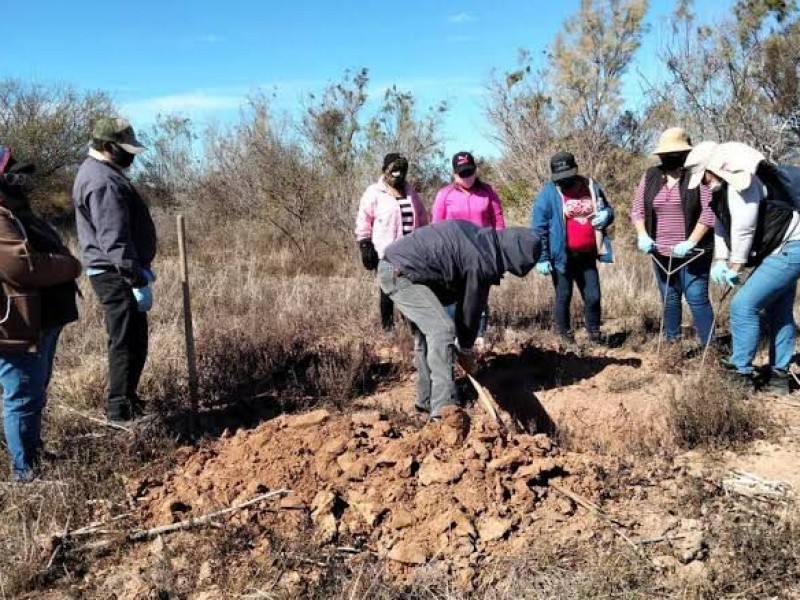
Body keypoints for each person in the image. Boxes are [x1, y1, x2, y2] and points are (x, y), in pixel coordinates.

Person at [378, 220, 540, 419]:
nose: (506, 272)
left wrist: (464, 346)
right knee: (441, 330)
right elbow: (470, 307)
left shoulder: (484, 243)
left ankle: (426, 402)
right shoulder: (482, 260)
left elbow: (470, 304)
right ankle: (443, 412)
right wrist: (465, 348)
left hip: (403, 268)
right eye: (509, 268)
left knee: (428, 335)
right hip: (400, 273)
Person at [685, 141, 800, 394]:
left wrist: (735, 266)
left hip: (791, 246)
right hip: (784, 248)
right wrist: (719, 261)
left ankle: (741, 374)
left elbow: (744, 227)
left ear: (712, 169)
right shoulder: (721, 193)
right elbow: (722, 228)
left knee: (743, 305)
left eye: (703, 177)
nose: (703, 184)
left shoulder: (742, 184)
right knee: (778, 310)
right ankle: (779, 377)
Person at [0, 145, 82, 482]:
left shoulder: (19, 213)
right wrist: (70, 265)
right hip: (15, 326)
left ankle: (32, 452)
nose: (20, 180)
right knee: (21, 396)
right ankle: (26, 473)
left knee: (34, 391)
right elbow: (23, 266)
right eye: (12, 174)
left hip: (39, 321)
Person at [72, 118, 157, 423]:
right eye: (126, 149)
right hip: (115, 274)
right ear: (109, 147)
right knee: (125, 342)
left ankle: (129, 401)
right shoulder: (102, 181)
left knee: (134, 339)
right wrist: (135, 277)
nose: (132, 156)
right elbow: (114, 238)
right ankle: (120, 413)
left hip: (118, 272)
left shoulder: (104, 172)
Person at [631, 128, 715, 346]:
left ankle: (710, 348)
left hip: (693, 253)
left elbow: (709, 211)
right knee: (669, 299)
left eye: (676, 153)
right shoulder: (650, 176)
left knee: (696, 298)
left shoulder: (697, 176)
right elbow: (638, 209)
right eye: (666, 154)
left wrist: (691, 242)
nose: (670, 157)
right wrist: (642, 236)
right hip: (660, 252)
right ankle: (672, 345)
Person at [532, 151, 614, 344]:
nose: (563, 181)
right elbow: (539, 228)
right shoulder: (548, 194)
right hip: (562, 257)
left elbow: (607, 208)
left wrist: (607, 215)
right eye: (559, 178)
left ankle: (594, 334)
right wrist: (542, 257)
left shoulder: (591, 186)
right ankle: (566, 338)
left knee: (593, 296)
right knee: (564, 295)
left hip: (587, 255)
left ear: (575, 170)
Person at [432, 151, 506, 348]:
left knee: (479, 295)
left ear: (475, 170)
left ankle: (479, 335)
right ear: (454, 174)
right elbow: (436, 227)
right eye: (462, 174)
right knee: (454, 297)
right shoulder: (444, 194)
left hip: (482, 253)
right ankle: (455, 336)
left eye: (470, 172)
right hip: (453, 256)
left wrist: (499, 250)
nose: (467, 177)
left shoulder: (488, 191)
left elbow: (498, 221)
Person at [354, 153, 428, 332]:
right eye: (394, 169)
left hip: (411, 252)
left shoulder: (411, 192)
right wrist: (365, 243)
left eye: (401, 170)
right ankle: (388, 329)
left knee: (409, 289)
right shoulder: (374, 192)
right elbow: (364, 218)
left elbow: (422, 218)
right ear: (385, 170)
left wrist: (427, 242)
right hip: (385, 251)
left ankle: (411, 328)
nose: (398, 173)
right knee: (388, 290)